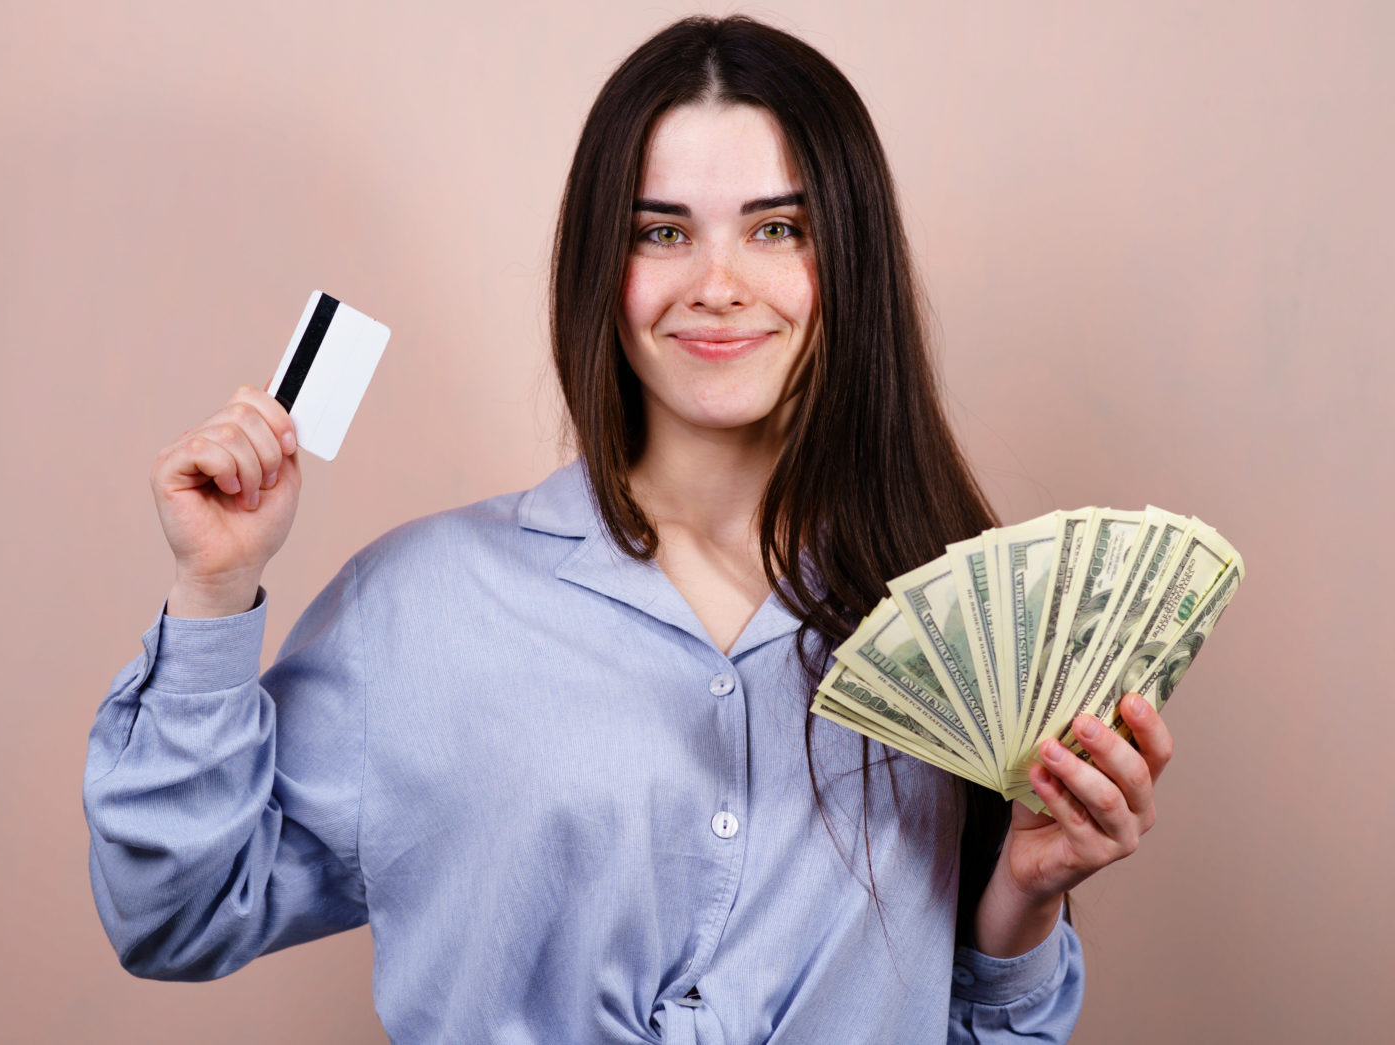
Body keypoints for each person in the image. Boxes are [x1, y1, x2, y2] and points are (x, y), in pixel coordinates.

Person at [83, 15, 1172, 1043]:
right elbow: (175, 913)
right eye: (662, 232)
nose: (715, 284)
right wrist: (215, 593)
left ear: (848, 261)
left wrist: (1026, 893)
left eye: (776, 228)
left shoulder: (952, 627)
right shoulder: (420, 606)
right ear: (599, 270)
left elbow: (984, 1028)